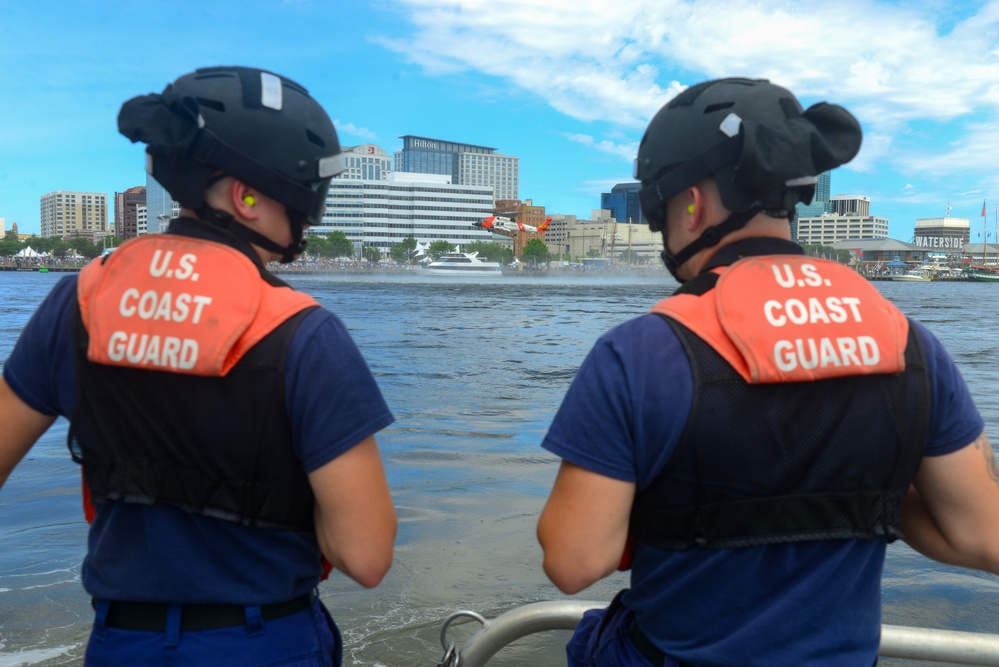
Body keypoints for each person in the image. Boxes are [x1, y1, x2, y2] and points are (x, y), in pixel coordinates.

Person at [537, 77, 999, 666]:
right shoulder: (909, 346)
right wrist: (861, 485)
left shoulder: (642, 352)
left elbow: (573, 562)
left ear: (691, 203)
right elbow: (983, 534)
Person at [0, 66, 397, 666]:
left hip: (121, 643)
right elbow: (366, 556)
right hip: (265, 643)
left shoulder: (78, 303)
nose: (310, 218)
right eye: (304, 195)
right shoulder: (302, 332)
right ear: (248, 195)